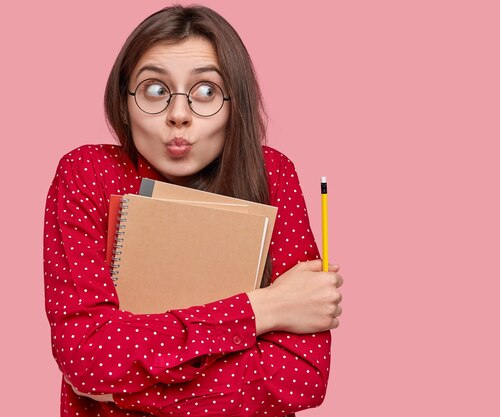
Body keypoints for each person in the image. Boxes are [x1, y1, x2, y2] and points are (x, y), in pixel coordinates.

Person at [43, 5, 343, 416]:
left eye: (206, 91)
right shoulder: (88, 174)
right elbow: (89, 360)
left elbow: (300, 380)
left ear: (234, 104)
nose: (178, 116)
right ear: (124, 104)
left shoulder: (273, 174)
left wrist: (126, 387)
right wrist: (263, 309)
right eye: (154, 90)